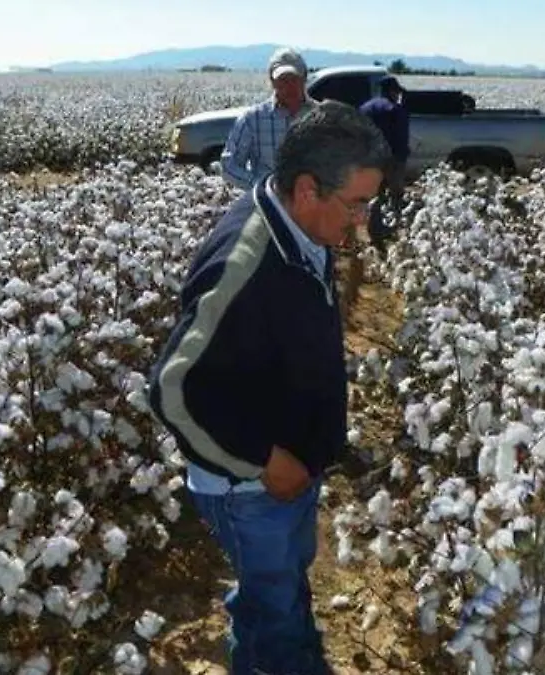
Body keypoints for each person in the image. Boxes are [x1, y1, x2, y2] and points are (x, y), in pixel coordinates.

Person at [146, 101, 391, 675]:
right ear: (308, 189)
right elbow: (171, 387)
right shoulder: (247, 261)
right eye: (357, 204)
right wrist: (264, 462)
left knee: (275, 592)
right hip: (248, 489)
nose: (363, 220)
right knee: (276, 609)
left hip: (285, 474)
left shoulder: (300, 229)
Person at [220, 46, 318, 191]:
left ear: (304, 79)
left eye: (293, 79)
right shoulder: (253, 119)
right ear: (272, 82)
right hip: (268, 204)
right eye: (282, 80)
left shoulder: (322, 117)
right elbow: (229, 165)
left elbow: (340, 163)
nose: (288, 86)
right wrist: (262, 188)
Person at [358, 76, 411, 251]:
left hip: (369, 159)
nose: (398, 96)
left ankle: (374, 230)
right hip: (391, 159)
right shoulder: (394, 109)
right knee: (395, 195)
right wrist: (402, 157)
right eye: (397, 92)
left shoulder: (365, 108)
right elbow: (401, 137)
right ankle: (395, 230)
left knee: (375, 195)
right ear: (392, 91)